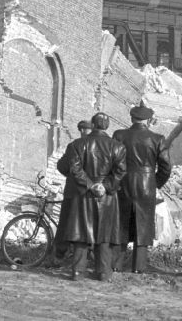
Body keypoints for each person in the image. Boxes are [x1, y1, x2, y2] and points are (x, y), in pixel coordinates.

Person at [62, 112, 126, 282]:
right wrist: (104, 186)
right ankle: (103, 272)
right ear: (107, 126)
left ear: (93, 124)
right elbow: (120, 172)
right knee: (104, 235)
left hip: (83, 195)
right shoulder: (118, 147)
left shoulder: (78, 144)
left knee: (81, 233)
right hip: (107, 197)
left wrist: (90, 185)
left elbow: (74, 169)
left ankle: (77, 272)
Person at [112, 104, 171, 274]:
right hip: (146, 185)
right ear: (149, 120)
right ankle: (138, 267)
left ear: (131, 118)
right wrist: (154, 183)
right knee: (143, 226)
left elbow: (112, 160)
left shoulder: (119, 135)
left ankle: (116, 265)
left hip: (123, 183)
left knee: (121, 223)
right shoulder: (158, 139)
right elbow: (166, 167)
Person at [54, 120, 93, 261]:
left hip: (73, 190)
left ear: (81, 130)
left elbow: (62, 166)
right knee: (88, 223)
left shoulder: (74, 145)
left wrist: (70, 174)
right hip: (91, 192)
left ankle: (59, 255)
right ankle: (87, 254)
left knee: (66, 223)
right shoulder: (100, 145)